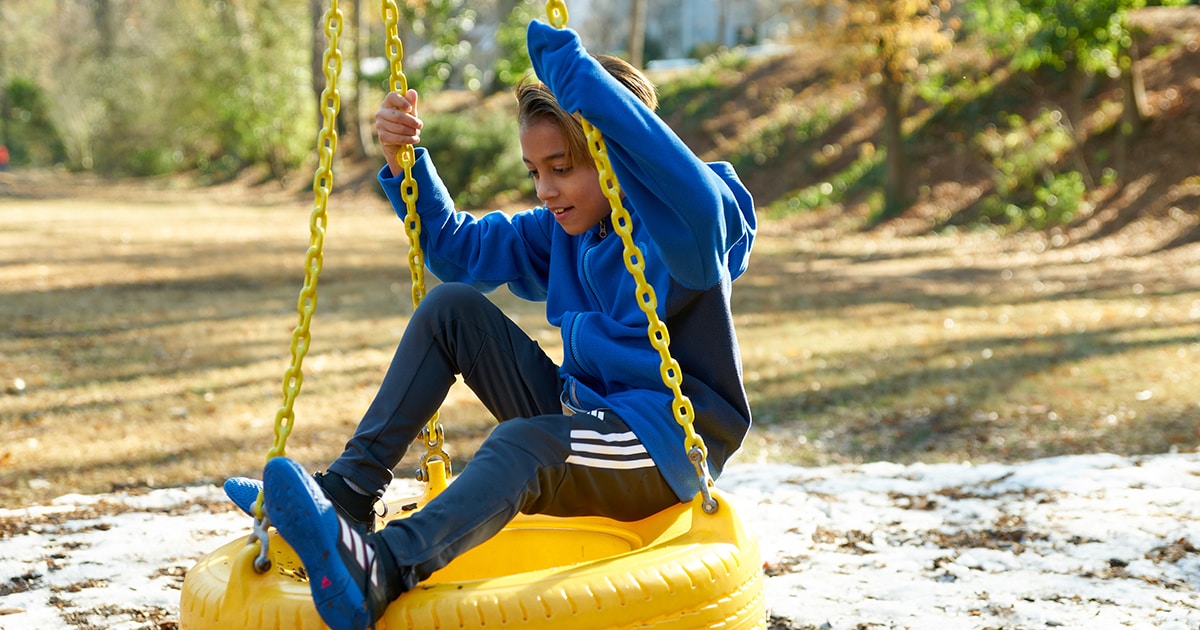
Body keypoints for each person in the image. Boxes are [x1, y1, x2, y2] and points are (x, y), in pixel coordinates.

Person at [225, 20, 756, 630]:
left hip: (660, 446)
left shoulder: (685, 230)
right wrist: (406, 165)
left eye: (561, 167)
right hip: (582, 415)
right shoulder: (566, 229)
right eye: (535, 171)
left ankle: (383, 569)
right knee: (451, 308)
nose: (547, 190)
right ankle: (349, 495)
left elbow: (698, 212)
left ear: (615, 153)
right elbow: (456, 251)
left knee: (521, 444)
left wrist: (586, 86)